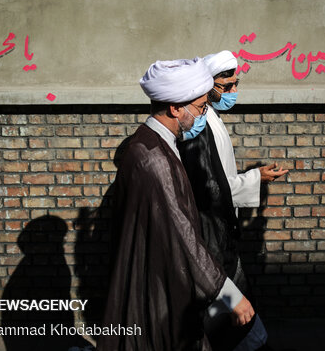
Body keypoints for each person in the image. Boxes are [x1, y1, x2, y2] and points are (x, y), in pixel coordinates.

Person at [96, 57, 256, 351]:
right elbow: (182, 236)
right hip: (155, 291)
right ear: (175, 108)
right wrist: (230, 295)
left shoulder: (149, 143)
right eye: (199, 107)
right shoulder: (154, 159)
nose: (202, 114)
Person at [177, 51, 288, 351]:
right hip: (212, 237)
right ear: (208, 86)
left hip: (219, 235)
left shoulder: (210, 118)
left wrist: (254, 177)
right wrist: (255, 180)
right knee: (235, 321)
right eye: (227, 87)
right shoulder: (199, 126)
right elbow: (211, 189)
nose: (233, 93)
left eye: (236, 85)